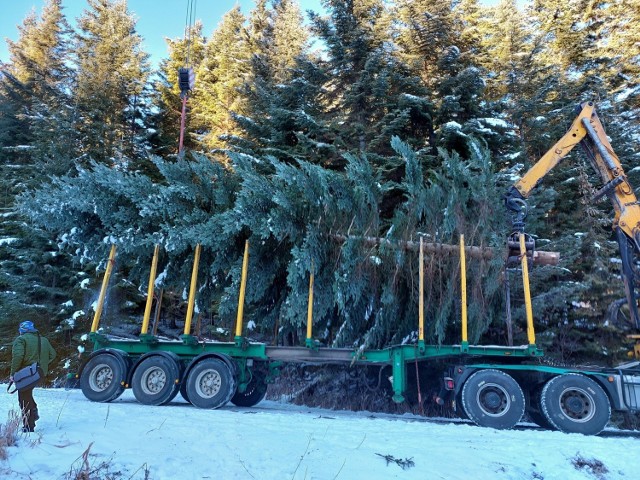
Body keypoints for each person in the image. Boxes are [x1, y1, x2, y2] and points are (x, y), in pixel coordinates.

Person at [10, 320, 56, 432]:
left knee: (23, 397)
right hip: (40, 373)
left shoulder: (21, 339)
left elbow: (18, 357)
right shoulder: (43, 340)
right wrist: (41, 365)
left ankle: (29, 426)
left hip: (27, 373)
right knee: (27, 394)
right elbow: (53, 355)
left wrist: (13, 373)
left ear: (22, 330)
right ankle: (33, 413)